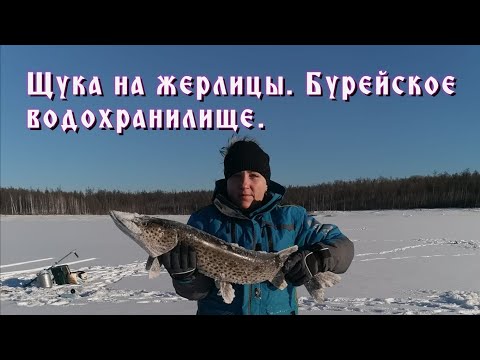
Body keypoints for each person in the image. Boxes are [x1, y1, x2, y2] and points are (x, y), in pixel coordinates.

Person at [161, 137, 354, 315]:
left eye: (253, 175)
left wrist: (318, 257)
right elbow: (198, 292)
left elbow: (344, 247)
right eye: (236, 176)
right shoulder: (203, 221)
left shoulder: (292, 218)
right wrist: (185, 278)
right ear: (227, 181)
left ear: (266, 182)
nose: (244, 184)